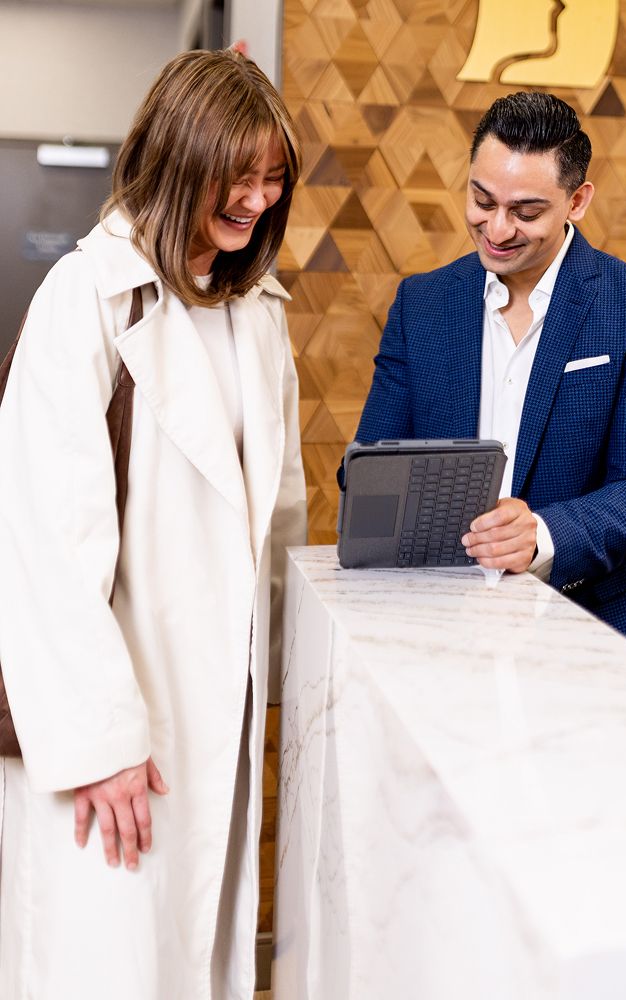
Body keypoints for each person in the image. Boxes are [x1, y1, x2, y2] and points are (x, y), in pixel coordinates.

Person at [0, 48, 306, 999]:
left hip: (214, 725)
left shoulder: (257, 313)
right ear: (178, 158)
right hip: (112, 730)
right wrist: (99, 742)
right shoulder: (86, 298)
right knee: (102, 966)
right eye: (237, 175)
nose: (255, 201)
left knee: (189, 966)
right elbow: (45, 544)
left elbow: (280, 519)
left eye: (272, 180)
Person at [355, 91, 626, 665]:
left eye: (526, 212)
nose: (497, 228)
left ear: (577, 200)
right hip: (439, 634)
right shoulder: (422, 304)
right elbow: (364, 465)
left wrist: (542, 533)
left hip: (598, 637)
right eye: (481, 200)